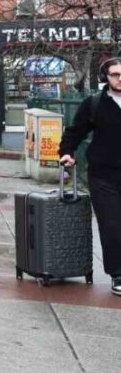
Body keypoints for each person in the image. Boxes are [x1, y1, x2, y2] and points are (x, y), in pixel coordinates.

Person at [59, 57, 121, 297]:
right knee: (112, 225)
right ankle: (118, 274)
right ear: (105, 77)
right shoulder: (94, 104)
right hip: (104, 175)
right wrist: (66, 153)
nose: (119, 78)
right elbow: (74, 132)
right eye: (115, 74)